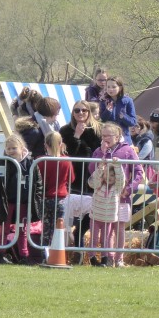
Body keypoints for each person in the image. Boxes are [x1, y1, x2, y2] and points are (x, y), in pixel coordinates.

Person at [87, 122, 142, 267]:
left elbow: (138, 171)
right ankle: (108, 257)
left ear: (117, 137)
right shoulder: (99, 150)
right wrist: (101, 152)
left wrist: (129, 188)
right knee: (107, 230)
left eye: (108, 135)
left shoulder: (128, 150)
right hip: (104, 198)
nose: (105, 138)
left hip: (121, 197)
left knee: (119, 229)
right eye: (103, 135)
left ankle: (119, 258)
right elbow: (91, 169)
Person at [0, 134, 44, 264]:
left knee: (23, 230)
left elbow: (39, 183)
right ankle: (1, 254)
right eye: (9, 149)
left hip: (25, 202)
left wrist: (37, 198)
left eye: (14, 148)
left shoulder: (31, 162)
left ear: (21, 147)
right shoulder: (1, 162)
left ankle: (23, 255)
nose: (11, 151)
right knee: (4, 229)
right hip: (8, 202)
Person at [60, 100, 101, 251]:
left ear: (89, 112)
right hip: (74, 175)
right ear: (73, 113)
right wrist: (76, 135)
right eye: (77, 110)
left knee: (92, 208)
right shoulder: (65, 130)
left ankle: (79, 235)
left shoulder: (98, 129)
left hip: (92, 174)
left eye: (84, 110)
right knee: (70, 208)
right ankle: (67, 245)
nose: (81, 113)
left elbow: (99, 151)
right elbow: (67, 153)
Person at [36, 131, 74, 248]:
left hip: (45, 198)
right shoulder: (66, 160)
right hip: (60, 199)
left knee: (46, 229)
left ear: (45, 145)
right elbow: (71, 179)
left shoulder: (40, 160)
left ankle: (44, 253)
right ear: (60, 144)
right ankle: (56, 252)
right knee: (58, 228)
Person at [87, 157, 125, 267]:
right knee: (93, 238)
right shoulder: (98, 185)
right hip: (95, 216)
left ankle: (105, 258)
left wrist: (117, 165)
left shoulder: (117, 189)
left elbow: (121, 179)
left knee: (106, 239)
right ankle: (92, 257)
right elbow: (93, 180)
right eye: (107, 175)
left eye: (112, 175)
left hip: (108, 219)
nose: (109, 178)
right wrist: (101, 167)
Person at [98, 76, 138, 145]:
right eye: (108, 87)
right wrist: (107, 111)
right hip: (108, 140)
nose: (110, 89)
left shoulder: (128, 101)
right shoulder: (103, 101)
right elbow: (100, 121)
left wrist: (123, 117)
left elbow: (133, 122)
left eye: (113, 87)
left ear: (120, 88)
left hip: (125, 139)